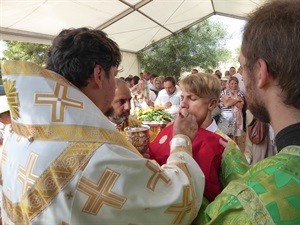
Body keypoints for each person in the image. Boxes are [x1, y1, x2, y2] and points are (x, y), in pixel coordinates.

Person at [0, 28, 205, 224]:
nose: (115, 84)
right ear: (99, 74)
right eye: (113, 75)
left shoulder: (18, 134)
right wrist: (181, 140)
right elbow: (176, 199)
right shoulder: (94, 152)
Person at [198, 1, 300, 224]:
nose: (242, 77)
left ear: (261, 72)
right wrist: (233, 161)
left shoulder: (243, 207)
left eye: (243, 66)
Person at [150, 73, 238, 203]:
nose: (183, 104)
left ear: (212, 104)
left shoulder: (226, 146)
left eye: (191, 98)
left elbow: (233, 196)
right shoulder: (170, 129)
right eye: (182, 97)